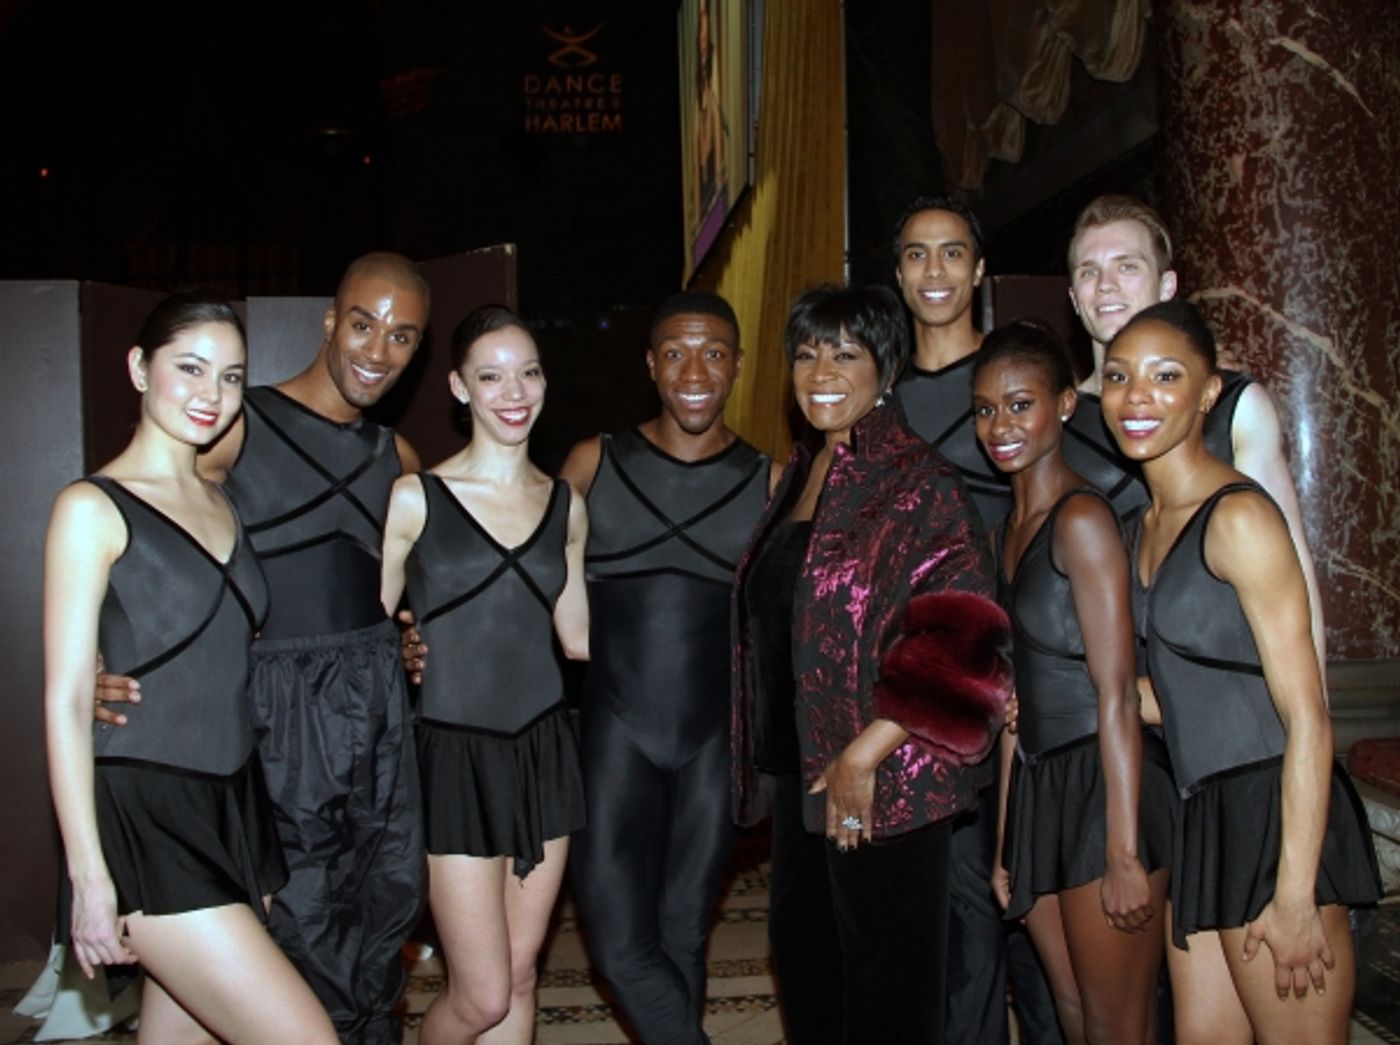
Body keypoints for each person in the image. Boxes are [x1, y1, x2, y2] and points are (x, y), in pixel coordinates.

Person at [97, 252, 431, 1044]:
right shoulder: (240, 423)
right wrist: (98, 658)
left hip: (377, 722)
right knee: (301, 930)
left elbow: (420, 587)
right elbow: (136, 524)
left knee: (383, 905)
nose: (377, 350)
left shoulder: (399, 459)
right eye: (363, 324)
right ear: (330, 321)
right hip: (278, 726)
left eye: (402, 335)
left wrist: (418, 638)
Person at [43, 294, 338, 1043]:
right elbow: (68, 698)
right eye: (191, 368)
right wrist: (88, 876)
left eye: (231, 376)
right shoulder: (91, 507)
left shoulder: (224, 502)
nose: (212, 393)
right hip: (147, 812)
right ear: (140, 368)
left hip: (233, 802)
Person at [732, 283, 1013, 1044]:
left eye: (845, 354)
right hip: (803, 773)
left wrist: (863, 756)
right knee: (811, 978)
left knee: (888, 1000)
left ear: (885, 369)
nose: (821, 372)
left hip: (885, 778)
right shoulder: (803, 471)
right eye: (806, 354)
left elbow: (963, 639)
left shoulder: (919, 482)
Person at [1102, 300, 1380, 1045]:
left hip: (1273, 815)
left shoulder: (1239, 519)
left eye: (1166, 376)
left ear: (1208, 394)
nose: (1137, 396)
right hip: (1202, 818)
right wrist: (1050, 699)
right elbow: (1188, 692)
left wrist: (1295, 893)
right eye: (1120, 377)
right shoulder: (1140, 528)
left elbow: (1308, 715)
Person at [561, 291, 770, 1044]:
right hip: (613, 739)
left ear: (738, 365)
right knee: (621, 946)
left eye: (713, 353)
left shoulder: (769, 482)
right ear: (650, 364)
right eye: (676, 353)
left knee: (682, 935)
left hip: (715, 743)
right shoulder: (594, 462)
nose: (694, 371)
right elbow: (519, 577)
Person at [380, 306, 588, 1044]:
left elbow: (579, 638)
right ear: (459, 388)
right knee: (481, 995)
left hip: (544, 754)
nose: (514, 391)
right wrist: (400, 651)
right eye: (492, 376)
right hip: (452, 758)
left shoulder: (566, 505)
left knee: (521, 975)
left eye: (528, 372)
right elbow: (366, 634)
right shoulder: (416, 498)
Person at [971, 321, 1174, 1044]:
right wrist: (1006, 840)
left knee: (1118, 1026)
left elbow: (1118, 692)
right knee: (1074, 1017)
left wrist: (1123, 851)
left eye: (1020, 404)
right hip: (1039, 788)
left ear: (1063, 404)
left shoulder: (1082, 519)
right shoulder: (1005, 530)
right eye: (985, 409)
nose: (1000, 425)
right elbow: (1013, 701)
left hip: (1102, 788)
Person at [892, 195, 1063, 1043]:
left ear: (980, 268)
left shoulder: (1012, 382)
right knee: (962, 902)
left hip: (1027, 671)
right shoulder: (878, 395)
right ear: (897, 273)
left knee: (1033, 899)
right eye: (917, 254)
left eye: (953, 252)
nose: (935, 271)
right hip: (932, 684)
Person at [1067, 195, 1324, 660]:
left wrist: (1315, 696)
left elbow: (1293, 573)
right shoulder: (1055, 425)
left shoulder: (1233, 404)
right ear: (1073, 297)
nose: (1106, 286)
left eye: (1127, 266)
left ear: (1167, 285)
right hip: (1103, 687)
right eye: (1089, 271)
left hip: (1219, 682)